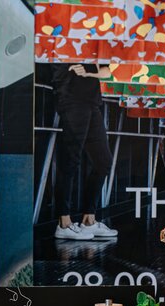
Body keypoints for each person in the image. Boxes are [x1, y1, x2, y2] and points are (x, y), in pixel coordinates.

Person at [50, 62, 117, 240]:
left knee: (104, 162)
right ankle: (64, 223)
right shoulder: (66, 47)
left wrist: (89, 72)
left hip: (92, 102)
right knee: (71, 160)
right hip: (71, 99)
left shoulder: (95, 49)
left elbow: (107, 71)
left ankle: (89, 220)